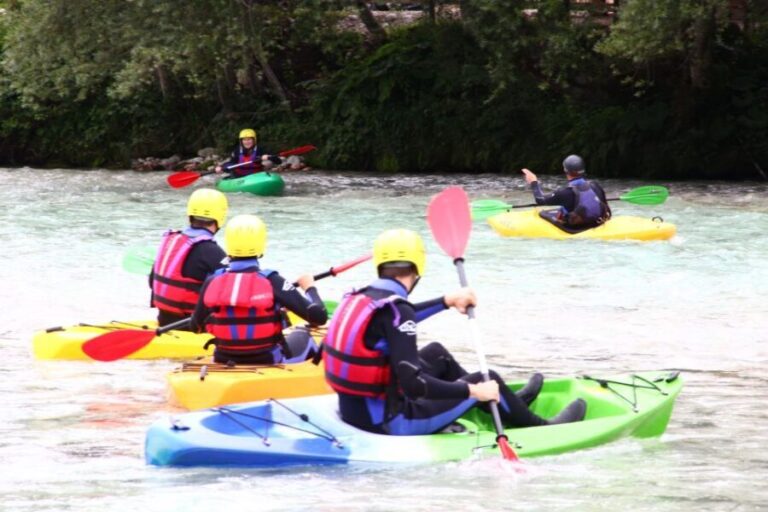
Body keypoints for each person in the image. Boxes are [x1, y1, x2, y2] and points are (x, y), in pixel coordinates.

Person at [323, 228, 586, 436]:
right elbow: (415, 386)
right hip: (391, 422)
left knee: (438, 354)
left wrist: (447, 300)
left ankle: (505, 404)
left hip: (356, 412)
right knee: (485, 378)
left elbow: (398, 317)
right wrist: (472, 392)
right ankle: (538, 426)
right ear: (418, 265)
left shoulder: (361, 297)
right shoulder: (396, 310)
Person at [190, 214, 328, 365]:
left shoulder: (212, 281)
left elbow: (195, 326)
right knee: (303, 335)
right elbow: (319, 317)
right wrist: (309, 288)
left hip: (223, 358)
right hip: (267, 360)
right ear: (261, 244)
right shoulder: (272, 281)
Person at [150, 188, 228, 330]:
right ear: (220, 216)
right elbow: (236, 289)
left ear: (190, 214)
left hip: (164, 320)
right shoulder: (212, 251)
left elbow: (152, 281)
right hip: (193, 326)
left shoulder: (171, 241)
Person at [521, 154, 611, 231]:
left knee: (546, 213)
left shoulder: (565, 193)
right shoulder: (595, 185)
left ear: (565, 170)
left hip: (576, 227)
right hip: (597, 222)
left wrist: (533, 182)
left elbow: (540, 200)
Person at [214, 128, 283, 178]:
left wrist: (269, 157)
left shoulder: (260, 149)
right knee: (231, 170)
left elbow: (278, 161)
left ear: (254, 140)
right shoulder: (237, 150)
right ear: (241, 141)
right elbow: (231, 163)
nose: (247, 142)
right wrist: (221, 167)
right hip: (239, 176)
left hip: (256, 175)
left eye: (249, 139)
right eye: (244, 140)